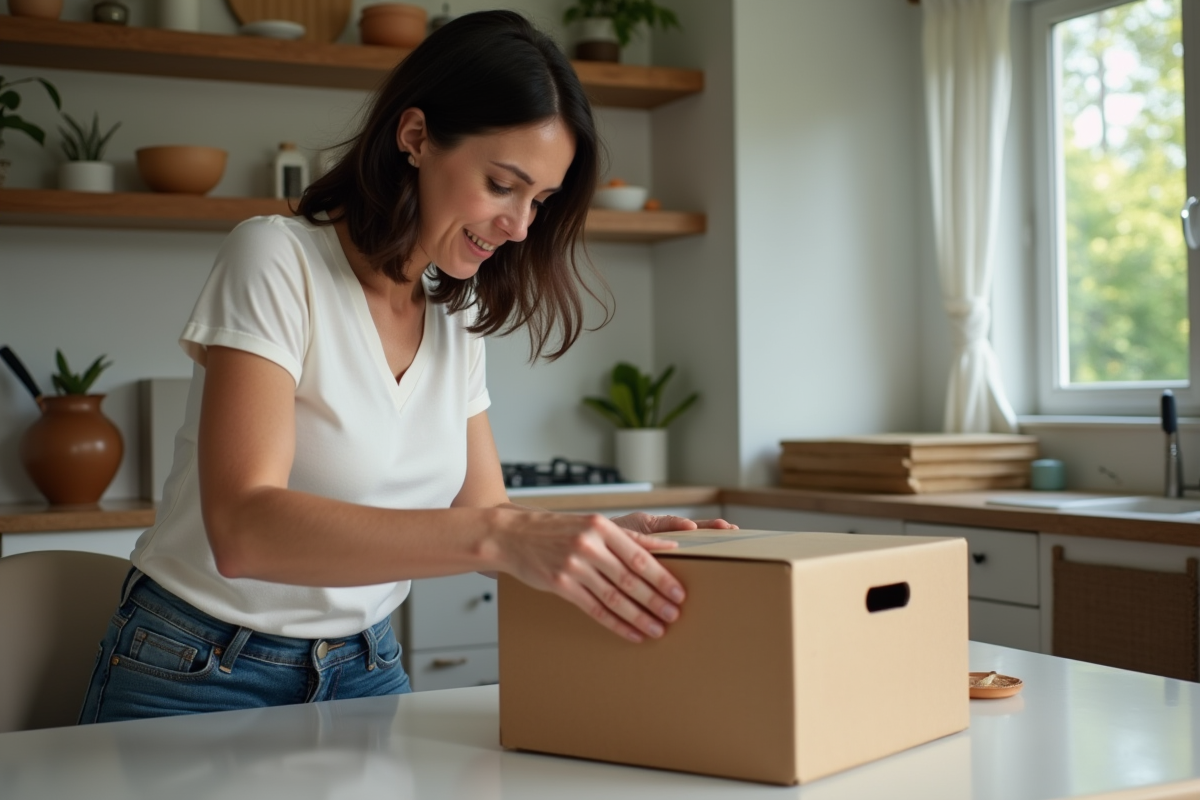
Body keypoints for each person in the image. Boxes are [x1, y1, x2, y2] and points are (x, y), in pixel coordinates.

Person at [79, 9, 733, 724]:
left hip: (364, 664)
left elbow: (486, 518)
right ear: (416, 136)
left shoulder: (454, 312)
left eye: (539, 201)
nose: (520, 226)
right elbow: (243, 529)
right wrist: (506, 537)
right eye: (502, 184)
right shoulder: (275, 258)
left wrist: (603, 538)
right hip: (199, 665)